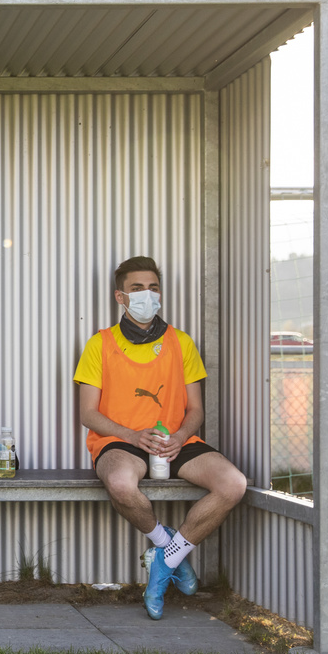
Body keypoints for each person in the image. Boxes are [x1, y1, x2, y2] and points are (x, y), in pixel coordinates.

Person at [73, 256, 247, 620]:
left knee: (233, 484)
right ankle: (169, 548)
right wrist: (132, 436)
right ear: (120, 297)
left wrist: (181, 436)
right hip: (120, 440)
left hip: (175, 441)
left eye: (153, 288)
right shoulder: (99, 344)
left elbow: (195, 409)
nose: (147, 295)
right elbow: (88, 413)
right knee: (121, 483)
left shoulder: (181, 342)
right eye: (137, 288)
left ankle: (164, 559)